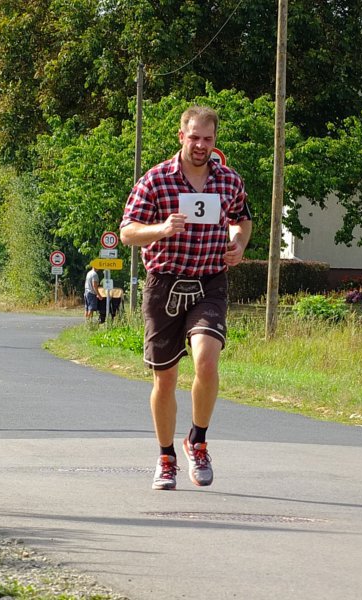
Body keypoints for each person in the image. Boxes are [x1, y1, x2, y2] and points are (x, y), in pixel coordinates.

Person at [120, 105, 252, 491]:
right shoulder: (156, 180)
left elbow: (242, 219)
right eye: (194, 137)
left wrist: (239, 243)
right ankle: (165, 456)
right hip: (164, 283)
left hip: (209, 281)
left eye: (208, 139)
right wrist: (161, 228)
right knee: (166, 378)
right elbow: (127, 232)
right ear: (182, 136)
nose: (200, 146)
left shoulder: (228, 181)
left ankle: (198, 440)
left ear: (215, 141)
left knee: (207, 362)